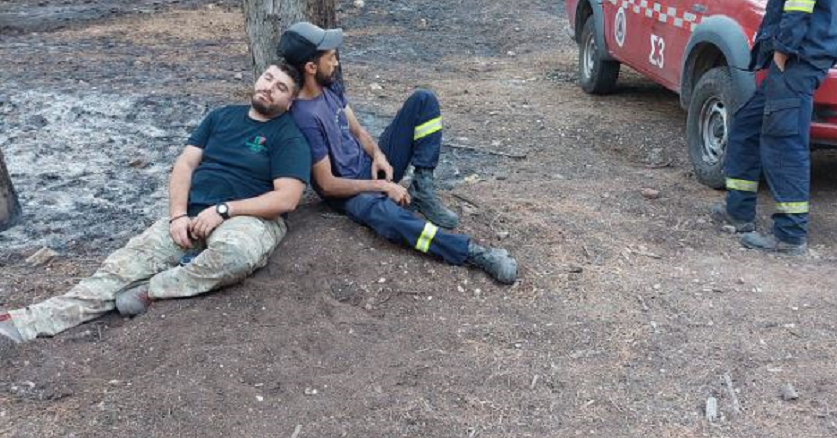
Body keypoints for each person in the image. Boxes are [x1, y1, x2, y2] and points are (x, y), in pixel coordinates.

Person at [0, 62, 311, 347]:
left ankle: (151, 289)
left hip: (248, 219)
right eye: (268, 78)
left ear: (290, 102)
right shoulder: (221, 117)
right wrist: (177, 216)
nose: (269, 88)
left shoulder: (289, 137)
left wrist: (224, 210)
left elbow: (287, 197)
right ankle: (25, 323)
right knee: (118, 269)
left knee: (233, 256)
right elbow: (185, 165)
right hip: (191, 215)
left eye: (280, 87)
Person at [279, 22, 517, 284]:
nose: (336, 62)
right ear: (311, 67)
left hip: (369, 168)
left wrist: (378, 155)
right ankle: (475, 253)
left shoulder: (330, 87)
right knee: (392, 219)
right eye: (330, 57)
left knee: (423, 100)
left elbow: (358, 132)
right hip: (350, 193)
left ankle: (422, 189)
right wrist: (383, 186)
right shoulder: (304, 118)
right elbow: (327, 185)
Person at [712, 0, 837, 254]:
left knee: (783, 141)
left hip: (798, 60)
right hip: (794, 59)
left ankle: (789, 234)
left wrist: (783, 53)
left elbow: (799, 6)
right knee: (746, 124)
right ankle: (738, 211)